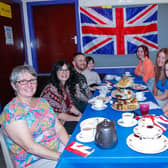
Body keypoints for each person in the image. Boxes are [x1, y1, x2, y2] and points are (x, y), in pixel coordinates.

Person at [0, 65, 69, 168]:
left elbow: (58, 128)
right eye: (23, 81)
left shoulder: (42, 102)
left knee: (87, 156)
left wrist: (70, 148)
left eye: (32, 80)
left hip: (57, 148)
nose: (29, 85)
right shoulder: (12, 111)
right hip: (34, 160)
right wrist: (63, 157)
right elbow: (30, 147)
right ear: (14, 85)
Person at [40, 60, 82, 134]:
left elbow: (70, 105)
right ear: (55, 72)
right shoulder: (51, 90)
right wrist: (76, 118)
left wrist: (80, 114)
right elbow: (57, 115)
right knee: (82, 129)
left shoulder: (64, 86)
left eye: (66, 70)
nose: (64, 73)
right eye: (61, 70)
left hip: (64, 121)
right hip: (54, 127)